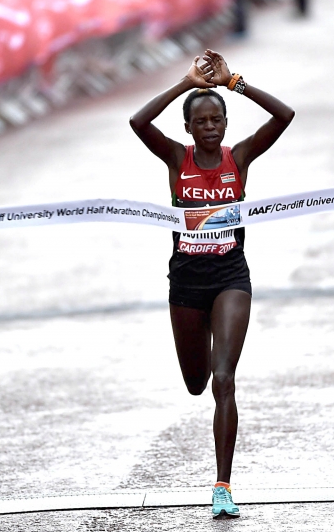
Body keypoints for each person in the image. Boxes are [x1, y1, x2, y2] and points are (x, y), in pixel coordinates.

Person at [129, 50, 294, 519]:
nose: (208, 127)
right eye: (200, 122)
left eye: (215, 120)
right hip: (185, 282)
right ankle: (199, 357)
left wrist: (233, 82)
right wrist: (185, 84)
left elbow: (284, 116)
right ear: (188, 128)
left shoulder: (237, 158)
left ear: (224, 123)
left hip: (229, 278)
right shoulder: (174, 157)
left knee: (224, 378)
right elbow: (138, 123)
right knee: (196, 383)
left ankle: (223, 485)